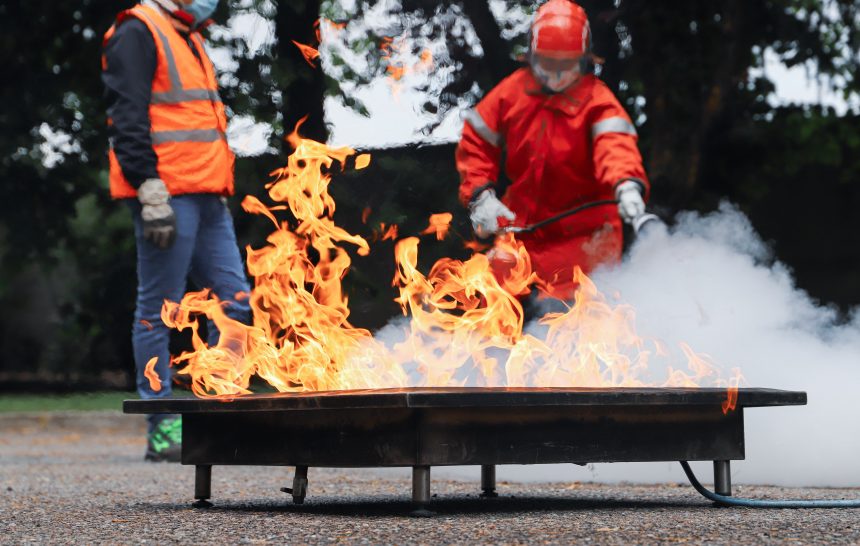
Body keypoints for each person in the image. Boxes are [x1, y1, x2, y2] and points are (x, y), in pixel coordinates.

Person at [102, 0, 251, 461]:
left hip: (208, 196)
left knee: (234, 304)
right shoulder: (138, 30)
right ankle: (163, 425)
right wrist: (149, 188)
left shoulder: (189, 35)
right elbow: (126, 117)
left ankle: (221, 418)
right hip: (167, 194)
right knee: (158, 309)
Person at [456, 0, 650, 299]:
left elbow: (615, 146)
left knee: (574, 331)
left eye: (567, 64)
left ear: (584, 59)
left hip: (586, 241)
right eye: (548, 63)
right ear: (532, 56)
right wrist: (481, 195)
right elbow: (476, 141)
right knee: (493, 312)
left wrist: (627, 186)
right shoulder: (512, 92)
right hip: (522, 231)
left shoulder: (598, 101)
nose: (557, 74)